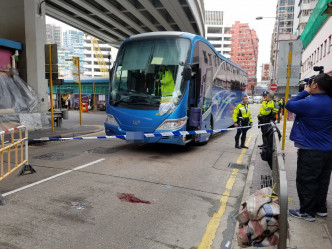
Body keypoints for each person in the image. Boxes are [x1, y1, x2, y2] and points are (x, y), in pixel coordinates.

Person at [286, 73, 332, 222]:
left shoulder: (309, 102)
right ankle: (320, 208)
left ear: (315, 85)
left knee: (307, 180)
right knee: (322, 180)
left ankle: (306, 212)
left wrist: (305, 92)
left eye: (311, 84)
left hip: (311, 150)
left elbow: (289, 104)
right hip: (328, 150)